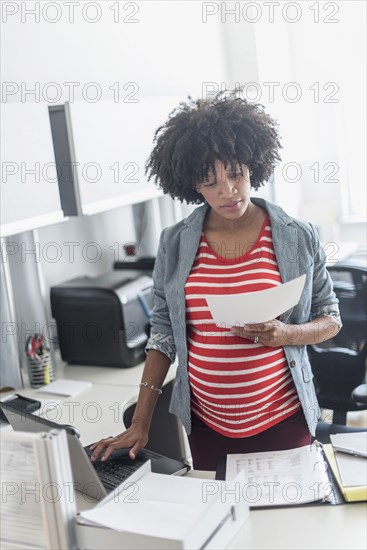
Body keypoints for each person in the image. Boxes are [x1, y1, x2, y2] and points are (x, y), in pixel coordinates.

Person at [90, 91, 341, 470]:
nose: (227, 190)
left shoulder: (297, 235)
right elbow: (163, 334)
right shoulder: (174, 242)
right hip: (206, 427)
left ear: (253, 164)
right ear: (192, 185)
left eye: (235, 173)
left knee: (288, 520)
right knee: (227, 521)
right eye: (210, 182)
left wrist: (286, 334)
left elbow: (331, 318)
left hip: (283, 419)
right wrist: (140, 423)